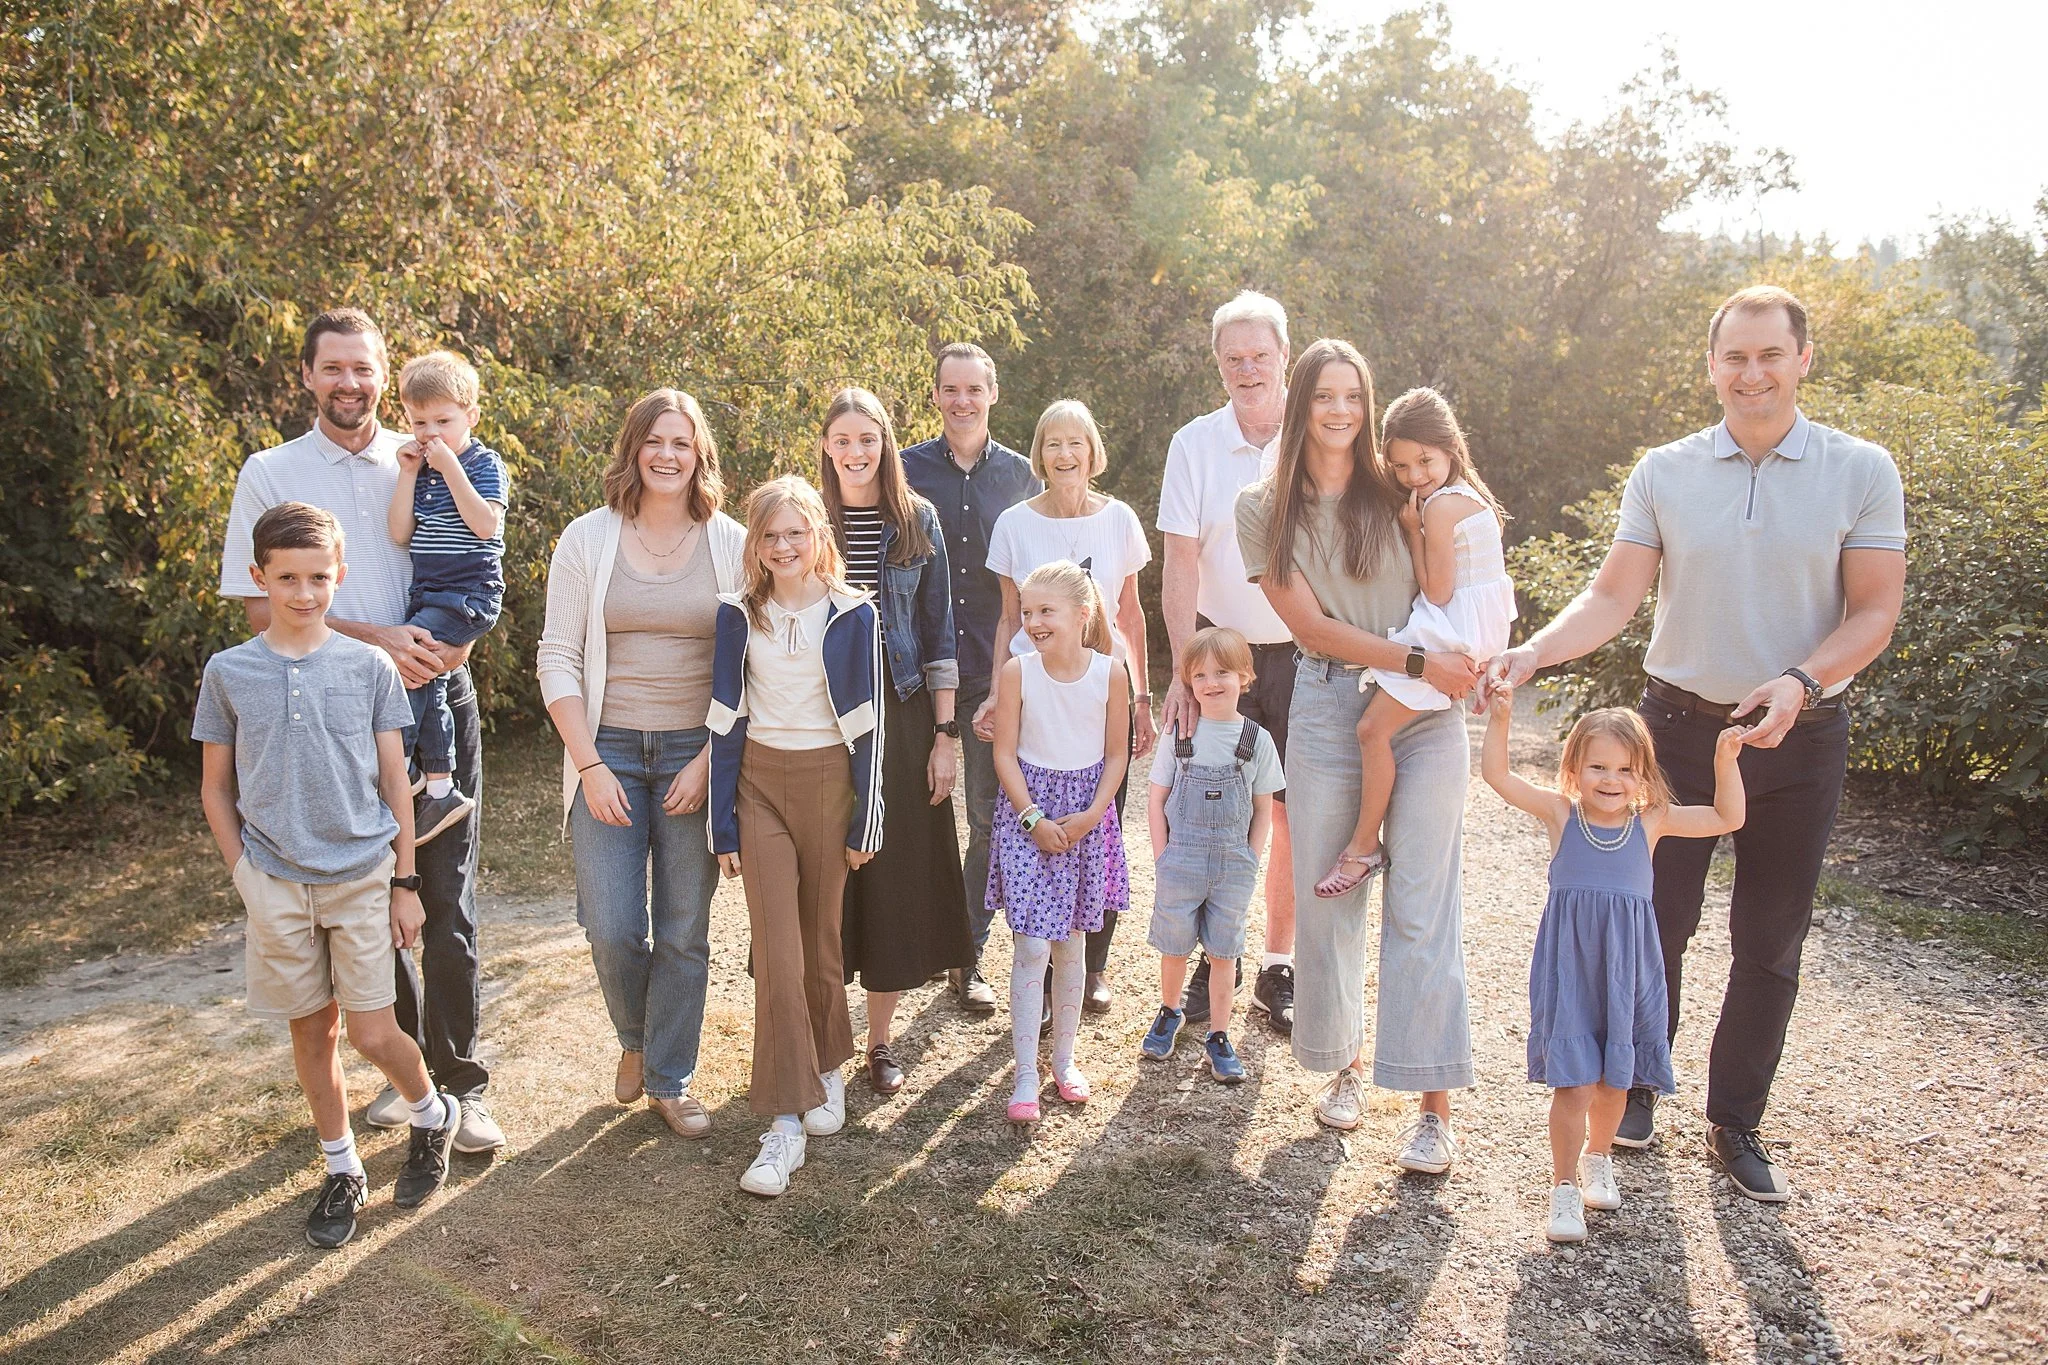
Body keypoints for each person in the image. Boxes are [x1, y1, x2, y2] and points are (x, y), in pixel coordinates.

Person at [1493, 285, 1908, 1202]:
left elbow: (1876, 609)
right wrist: (1532, 651)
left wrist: (1801, 681)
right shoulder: (1666, 470)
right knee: (1657, 921)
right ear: (1712, 365)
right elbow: (1612, 598)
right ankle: (1638, 1085)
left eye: (1770, 355)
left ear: (1804, 359)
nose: (1751, 374)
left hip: (1799, 734)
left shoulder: (1861, 468)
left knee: (1769, 935)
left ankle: (1736, 1120)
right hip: (1675, 732)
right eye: (1735, 357)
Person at [218, 309, 501, 1153]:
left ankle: (463, 1083)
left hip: (437, 693)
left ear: (385, 376)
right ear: (306, 375)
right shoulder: (271, 471)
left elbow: (478, 554)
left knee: (444, 899)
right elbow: (258, 604)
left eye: (364, 369)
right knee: (378, 901)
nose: (350, 383)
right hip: (335, 716)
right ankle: (401, 1071)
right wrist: (378, 640)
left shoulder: (422, 446)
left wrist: (455, 641)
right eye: (333, 368)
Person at [1235, 338, 1481, 1170]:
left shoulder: (1402, 491)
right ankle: (1343, 1068)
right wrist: (1415, 660)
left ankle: (1432, 1106)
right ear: (1300, 403)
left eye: (1353, 396)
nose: (1340, 411)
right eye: (1324, 396)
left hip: (1423, 711)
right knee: (1331, 892)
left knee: (1422, 899)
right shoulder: (1261, 508)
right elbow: (1306, 626)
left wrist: (1468, 659)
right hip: (1330, 699)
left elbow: (1462, 577)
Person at [194, 503, 460, 1249]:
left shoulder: (369, 665)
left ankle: (432, 1112)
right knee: (313, 1033)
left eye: (318, 577)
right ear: (260, 578)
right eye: (287, 578)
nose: (304, 593)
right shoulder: (229, 672)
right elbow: (216, 788)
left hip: (361, 876)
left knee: (376, 1032)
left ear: (339, 574)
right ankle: (342, 1166)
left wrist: (405, 883)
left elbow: (393, 781)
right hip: (275, 881)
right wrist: (246, 876)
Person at [536, 389, 746, 1139]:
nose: (667, 455)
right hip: (609, 750)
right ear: (634, 449)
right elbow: (557, 655)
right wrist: (589, 763)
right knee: (613, 925)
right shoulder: (586, 539)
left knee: (686, 928)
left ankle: (668, 1077)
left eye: (682, 444)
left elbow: (750, 667)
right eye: (655, 441)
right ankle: (634, 1035)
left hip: (697, 750)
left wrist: (714, 759)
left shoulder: (730, 541)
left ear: (700, 456)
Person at [1482, 690, 1746, 1242]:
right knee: (1574, 1084)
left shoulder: (1651, 821)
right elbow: (1499, 777)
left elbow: (1728, 815)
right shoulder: (1562, 814)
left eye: (1626, 769)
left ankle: (1598, 1159)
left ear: (1643, 773)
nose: (1611, 779)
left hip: (1626, 968)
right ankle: (1561, 1187)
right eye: (1598, 766)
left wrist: (1726, 762)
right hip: (1572, 970)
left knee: (1612, 1082)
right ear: (1575, 768)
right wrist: (1501, 718)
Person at [707, 477, 885, 1197]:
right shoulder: (735, 615)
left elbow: (873, 727)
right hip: (759, 786)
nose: (783, 547)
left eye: (795, 533)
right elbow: (722, 718)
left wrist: (866, 817)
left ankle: (830, 1065)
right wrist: (722, 820)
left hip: (828, 783)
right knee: (777, 951)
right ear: (755, 543)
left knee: (820, 941)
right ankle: (782, 1126)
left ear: (819, 538)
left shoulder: (853, 615)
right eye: (770, 535)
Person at [818, 387, 971, 1095]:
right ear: (825, 445)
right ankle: (824, 1037)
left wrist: (945, 735)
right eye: (842, 439)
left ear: (885, 444)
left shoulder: (918, 520)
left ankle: (879, 1041)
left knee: (897, 875)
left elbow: (939, 634)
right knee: (826, 869)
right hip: (817, 715)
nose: (855, 452)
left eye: (867, 439)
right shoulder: (805, 517)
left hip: (905, 709)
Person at [1158, 289, 1300, 1034]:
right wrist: (1185, 668)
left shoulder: (1320, 433)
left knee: (1295, 814)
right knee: (1215, 809)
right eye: (1232, 358)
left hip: (1309, 653)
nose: (1247, 369)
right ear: (1219, 367)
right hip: (1223, 654)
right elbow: (1178, 561)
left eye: (1259, 355)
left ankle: (1278, 966)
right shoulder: (1194, 443)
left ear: (1284, 356)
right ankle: (1218, 955)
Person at [983, 400, 1154, 1012]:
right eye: (1052, 443)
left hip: (1103, 690)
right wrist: (993, 691)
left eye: (1075, 442)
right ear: (1039, 453)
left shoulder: (1120, 521)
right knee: (1033, 816)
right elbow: (1008, 619)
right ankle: (1038, 957)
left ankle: (1091, 967)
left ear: (1092, 450)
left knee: (1096, 822)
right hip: (1034, 695)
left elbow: (1130, 616)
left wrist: (1142, 695)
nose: (1064, 455)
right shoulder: (1013, 525)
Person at [1315, 388, 1512, 898]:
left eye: (1424, 460)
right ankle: (1369, 840)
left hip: (1453, 632)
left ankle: (1362, 848)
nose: (1414, 477)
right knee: (1377, 729)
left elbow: (1438, 589)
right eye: (1400, 467)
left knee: (1371, 731)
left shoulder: (1440, 509)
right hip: (1472, 627)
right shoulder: (1469, 496)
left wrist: (1411, 530)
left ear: (1450, 446)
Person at [902, 343, 1040, 1015]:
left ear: (993, 394)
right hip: (911, 675)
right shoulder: (902, 471)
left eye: (973, 389)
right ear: (935, 396)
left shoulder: (1021, 476)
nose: (961, 401)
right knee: (909, 825)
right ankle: (905, 952)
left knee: (987, 820)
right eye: (949, 389)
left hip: (991, 675)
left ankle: (967, 956)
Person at [987, 561, 1132, 1123]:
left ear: (1082, 613)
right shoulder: (1018, 672)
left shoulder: (1111, 674)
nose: (1034, 621)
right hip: (1030, 815)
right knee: (1031, 948)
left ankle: (1064, 1062)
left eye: (1046, 611)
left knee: (1072, 946)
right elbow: (1004, 753)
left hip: (1086, 817)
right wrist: (1033, 819)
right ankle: (1025, 1071)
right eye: (1027, 611)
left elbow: (1117, 753)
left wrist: (1092, 815)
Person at [1139, 627, 1283, 1085]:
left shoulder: (1255, 740)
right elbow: (1156, 799)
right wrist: (1163, 858)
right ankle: (1170, 1010)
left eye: (1222, 672)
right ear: (1188, 681)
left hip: (1232, 866)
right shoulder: (1179, 735)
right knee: (1176, 946)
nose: (1211, 683)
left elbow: (1264, 808)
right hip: (1180, 861)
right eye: (1199, 675)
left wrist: (1250, 858)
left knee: (1224, 953)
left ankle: (1219, 1035)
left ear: (1245, 676)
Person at [385, 350, 509, 845]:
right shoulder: (423, 468)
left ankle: (411, 769)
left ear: (471, 417)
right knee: (426, 674)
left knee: (412, 669)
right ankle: (438, 785)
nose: (429, 432)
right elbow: (399, 533)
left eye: (443, 420)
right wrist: (410, 473)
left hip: (468, 592)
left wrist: (450, 466)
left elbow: (486, 523)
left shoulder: (481, 463)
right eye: (418, 422)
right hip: (428, 591)